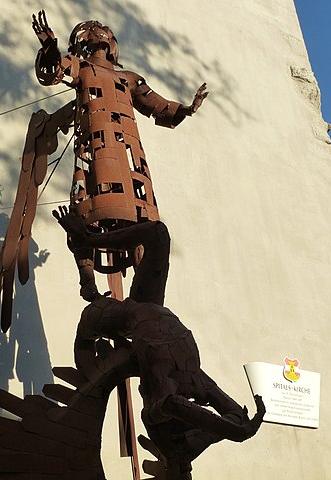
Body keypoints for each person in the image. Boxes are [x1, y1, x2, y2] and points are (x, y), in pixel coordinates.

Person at [52, 206, 266, 475]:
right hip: (151, 305)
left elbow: (180, 407)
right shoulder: (198, 383)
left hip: (129, 317)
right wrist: (238, 429)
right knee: (158, 233)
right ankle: (87, 249)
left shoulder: (159, 406)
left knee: (91, 320)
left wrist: (234, 430)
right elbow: (236, 416)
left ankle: (86, 261)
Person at [33, 11, 208, 300]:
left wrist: (188, 109)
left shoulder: (129, 79)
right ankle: (88, 283)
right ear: (84, 41)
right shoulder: (82, 68)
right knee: (86, 209)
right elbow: (54, 71)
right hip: (93, 149)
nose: (100, 33)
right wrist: (50, 47)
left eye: (104, 31)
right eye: (93, 31)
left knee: (141, 216)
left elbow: (156, 105)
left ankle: (145, 295)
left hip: (130, 157)